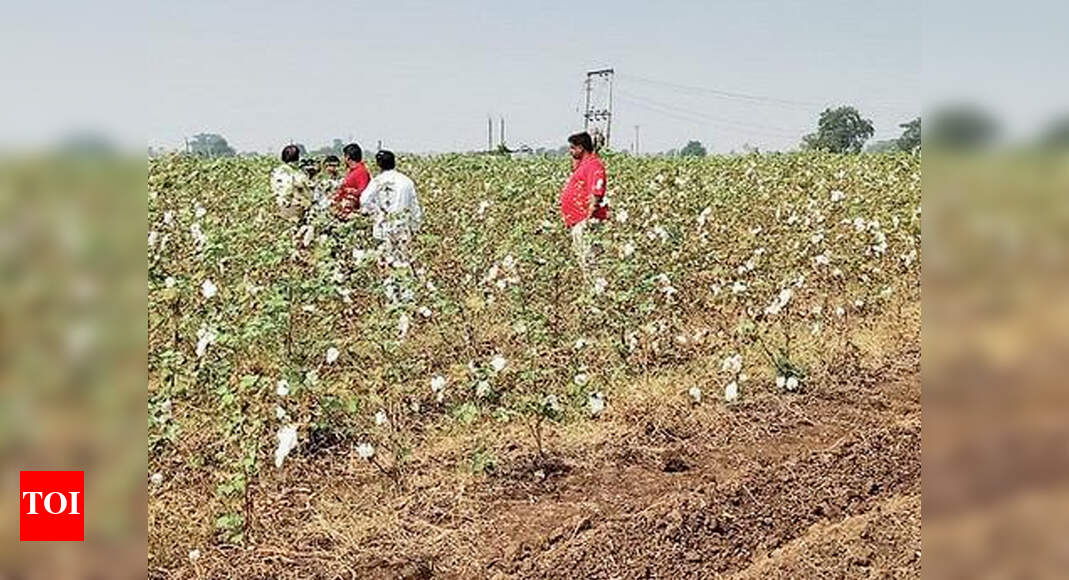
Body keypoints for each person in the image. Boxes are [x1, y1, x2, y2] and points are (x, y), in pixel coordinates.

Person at [360, 150, 423, 266]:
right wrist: (415, 227)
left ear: (378, 164)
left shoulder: (377, 181)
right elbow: (414, 206)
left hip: (383, 227)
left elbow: (364, 200)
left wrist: (376, 213)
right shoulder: (406, 181)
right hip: (402, 227)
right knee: (402, 262)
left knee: (384, 262)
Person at [558, 131, 608, 273]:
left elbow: (596, 192)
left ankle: (594, 285)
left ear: (581, 148)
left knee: (590, 262)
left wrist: (588, 219)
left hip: (586, 221)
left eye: (572, 148)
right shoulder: (584, 165)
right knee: (583, 259)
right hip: (579, 221)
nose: (570, 151)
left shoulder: (594, 165)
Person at [270, 144, 312, 222]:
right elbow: (293, 191)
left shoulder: (277, 171)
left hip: (280, 204)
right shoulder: (297, 173)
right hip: (291, 206)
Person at [333, 143, 371, 218]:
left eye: (344, 156)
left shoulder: (361, 171)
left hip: (353, 212)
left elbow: (363, 192)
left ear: (348, 157)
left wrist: (349, 191)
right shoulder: (351, 171)